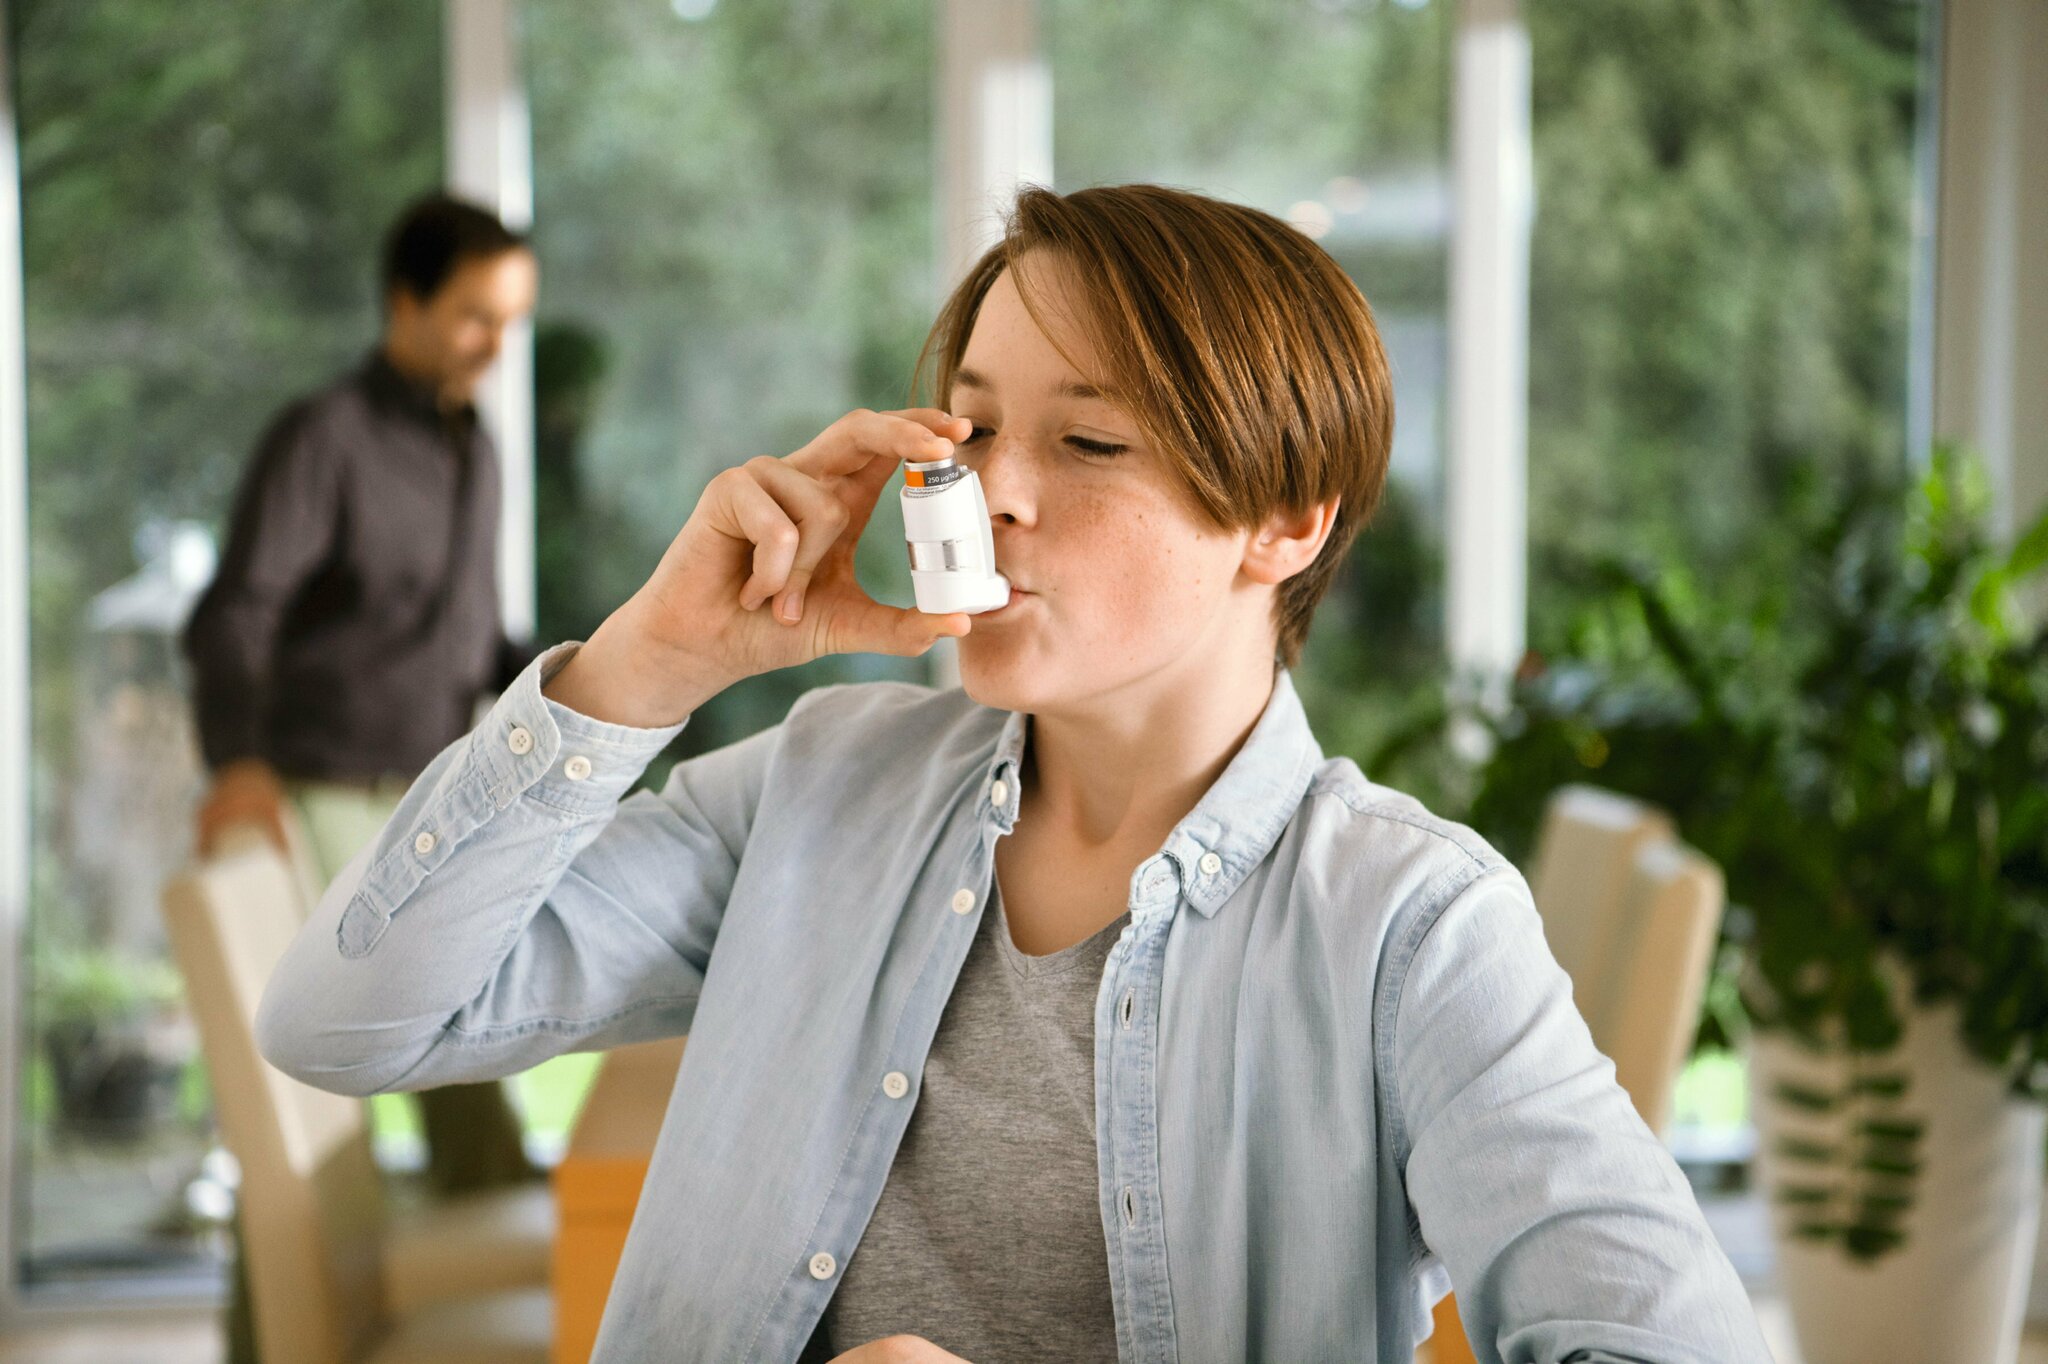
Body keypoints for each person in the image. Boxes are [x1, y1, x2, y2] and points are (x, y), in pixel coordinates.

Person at [255, 184, 1771, 1363]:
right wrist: (657, 658)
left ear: (1286, 523)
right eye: (971, 423)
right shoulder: (827, 781)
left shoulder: (1408, 926)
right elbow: (344, 1022)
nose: (992, 490)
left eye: (1091, 442)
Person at [183, 192, 540, 1196]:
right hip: (321, 789)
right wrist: (238, 760)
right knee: (323, 1105)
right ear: (404, 302)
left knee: (468, 1055)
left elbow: (473, 633)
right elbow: (238, 609)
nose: (493, 345)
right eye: (476, 317)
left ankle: (505, 1311)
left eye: (510, 322)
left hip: (431, 791)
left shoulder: (476, 448)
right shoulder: (323, 438)